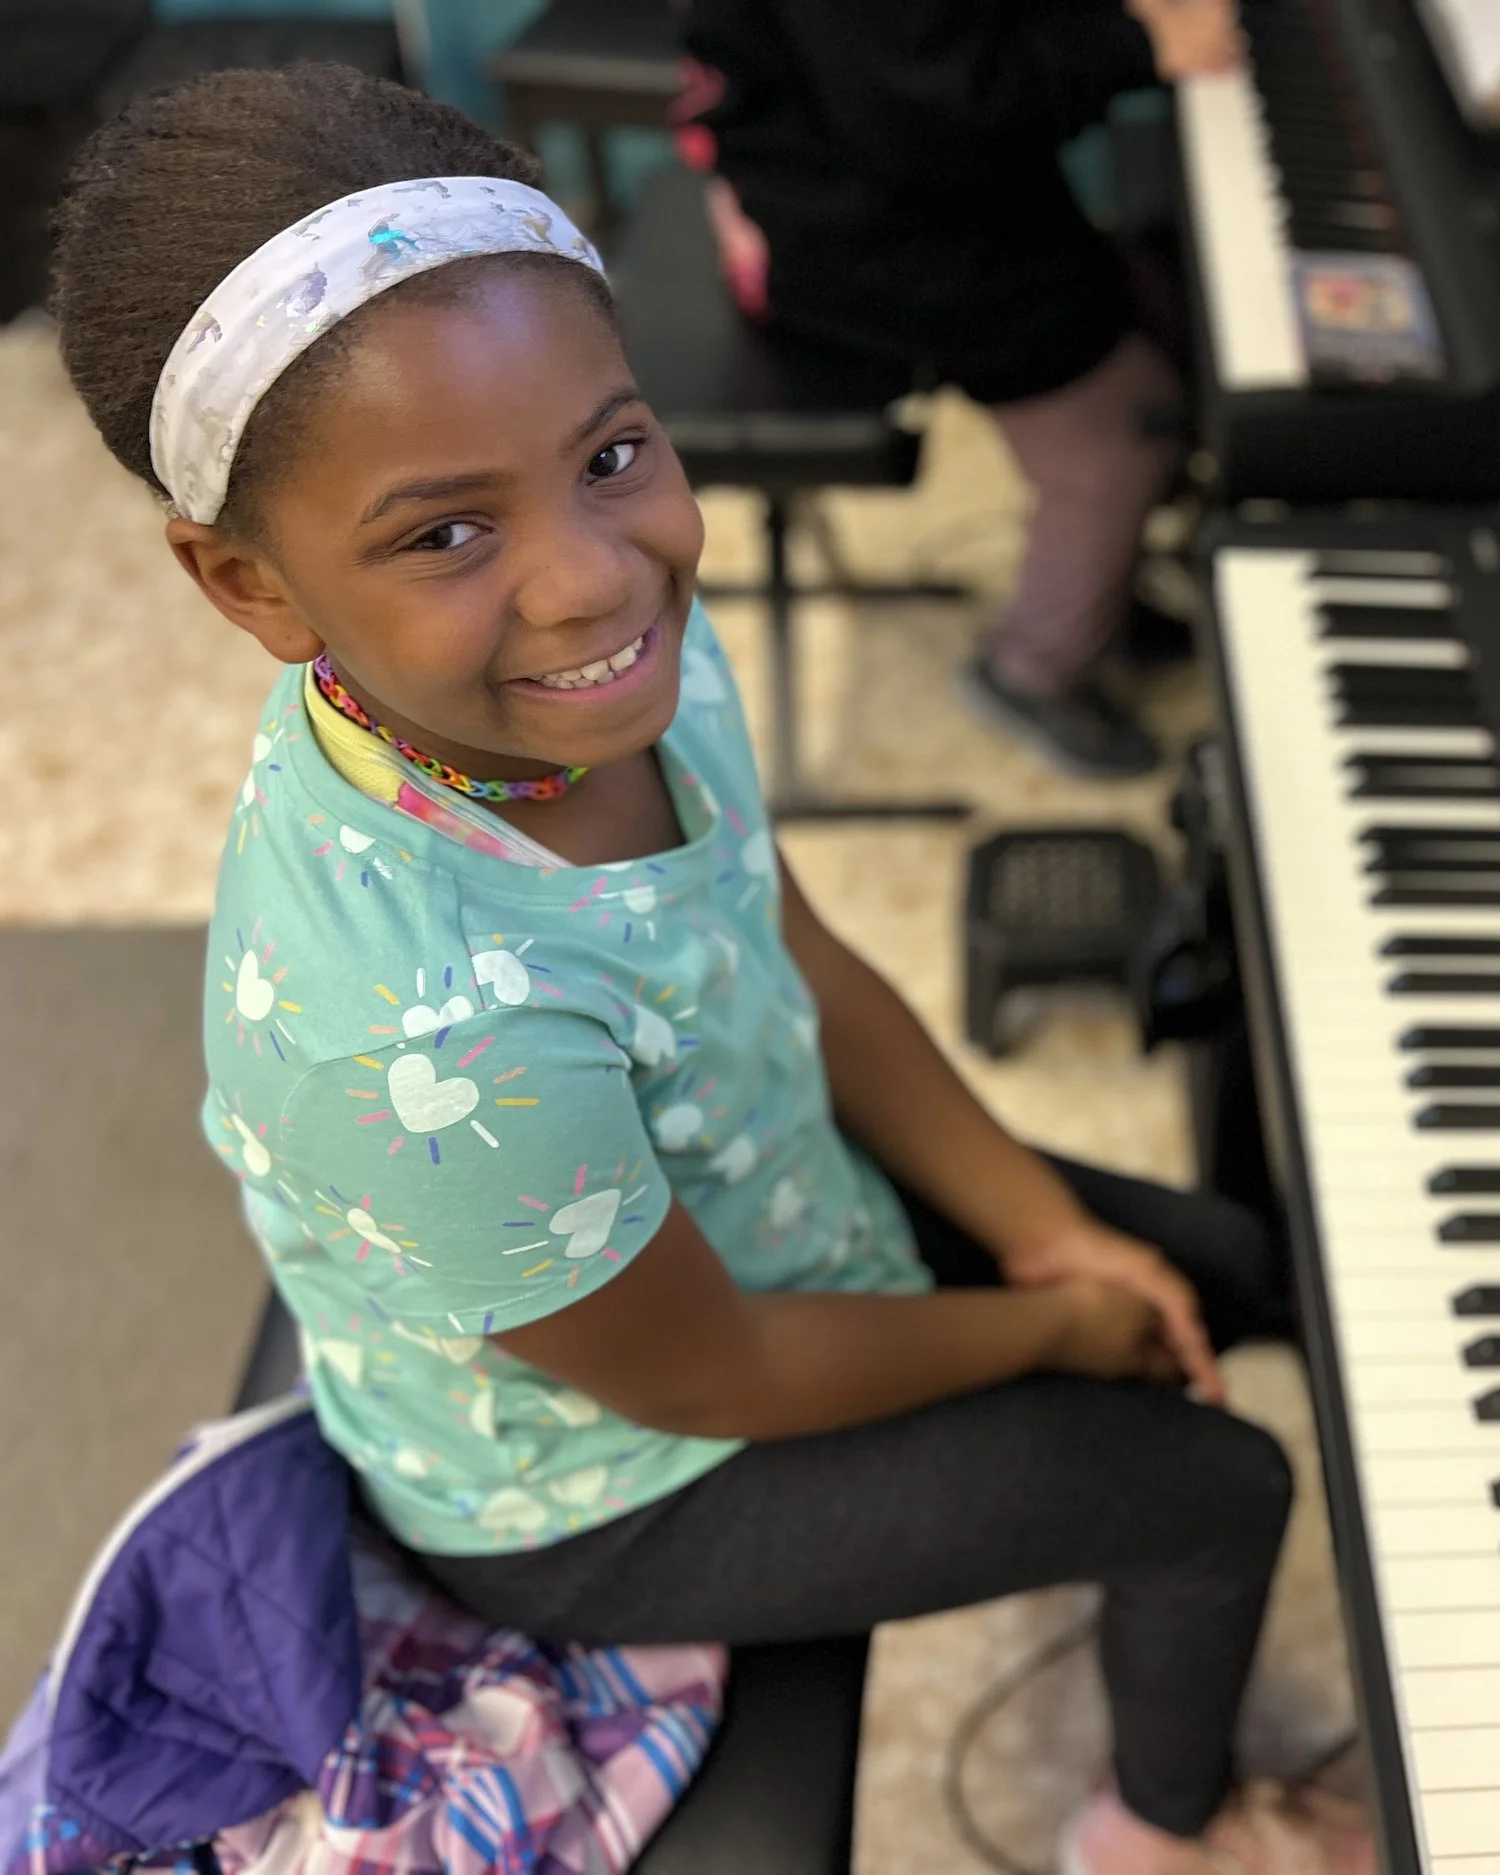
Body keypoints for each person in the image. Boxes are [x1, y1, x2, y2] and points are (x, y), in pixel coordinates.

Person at [48, 66, 1370, 1875]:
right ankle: (1163, 1830)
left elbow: (790, 946)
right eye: (446, 532)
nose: (596, 577)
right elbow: (714, 1375)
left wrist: (1038, 1226)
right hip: (611, 1481)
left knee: (1219, 1263)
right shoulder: (423, 1040)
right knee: (1217, 1487)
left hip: (757, 1220)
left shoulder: (619, 665)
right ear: (251, 589)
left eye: (610, 455)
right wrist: (1058, 1326)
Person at [675, 0, 1240, 780]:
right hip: (872, 233)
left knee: (1163, 310)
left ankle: (1105, 593)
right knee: (1126, 431)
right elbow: (938, 114)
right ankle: (1030, 674)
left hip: (885, 180)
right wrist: (1136, 41)